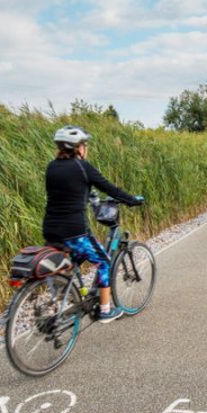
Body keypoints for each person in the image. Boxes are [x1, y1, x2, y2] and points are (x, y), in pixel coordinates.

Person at [42, 125, 143, 323]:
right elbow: (110, 188)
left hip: (51, 230)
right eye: (84, 145)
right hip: (74, 232)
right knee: (104, 261)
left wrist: (92, 197)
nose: (85, 148)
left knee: (69, 263)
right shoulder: (82, 167)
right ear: (78, 148)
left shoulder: (51, 167)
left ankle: (64, 303)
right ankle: (105, 311)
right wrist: (131, 200)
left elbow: (71, 192)